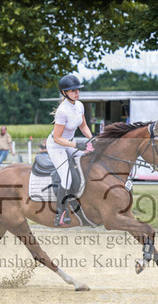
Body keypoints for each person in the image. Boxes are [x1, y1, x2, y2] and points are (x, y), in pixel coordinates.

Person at [46, 74, 93, 226]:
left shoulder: (79, 105)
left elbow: (83, 125)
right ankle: (60, 213)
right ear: (64, 93)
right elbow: (57, 138)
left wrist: (92, 138)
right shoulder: (62, 111)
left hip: (70, 143)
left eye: (77, 90)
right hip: (56, 146)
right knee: (66, 178)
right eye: (73, 90)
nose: (76, 92)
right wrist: (76, 145)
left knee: (88, 162)